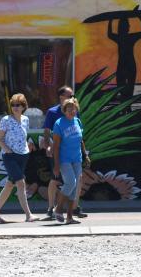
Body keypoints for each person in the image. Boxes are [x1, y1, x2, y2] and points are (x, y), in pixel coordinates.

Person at [42, 86, 87, 219]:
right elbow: (46, 131)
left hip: (76, 157)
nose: (72, 97)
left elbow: (80, 137)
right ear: (61, 97)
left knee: (74, 182)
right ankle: (53, 208)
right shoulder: (53, 113)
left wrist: (86, 154)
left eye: (73, 95)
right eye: (70, 95)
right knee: (57, 180)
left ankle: (71, 212)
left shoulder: (76, 117)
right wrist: (47, 146)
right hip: (59, 154)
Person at [0, 93, 34, 223]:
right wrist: (8, 150)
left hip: (23, 155)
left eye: (18, 105)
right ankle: (28, 214)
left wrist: (27, 147)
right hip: (10, 156)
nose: (15, 107)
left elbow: (23, 137)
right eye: (13, 105)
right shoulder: (6, 120)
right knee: (21, 183)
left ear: (23, 106)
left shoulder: (26, 120)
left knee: (10, 184)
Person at [51, 97, 90, 225]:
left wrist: (85, 155)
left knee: (74, 187)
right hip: (64, 159)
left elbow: (81, 140)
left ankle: (69, 217)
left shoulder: (77, 121)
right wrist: (56, 165)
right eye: (68, 109)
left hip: (77, 159)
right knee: (70, 182)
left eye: (73, 108)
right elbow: (56, 146)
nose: (71, 111)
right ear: (64, 110)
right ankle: (57, 209)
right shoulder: (59, 123)